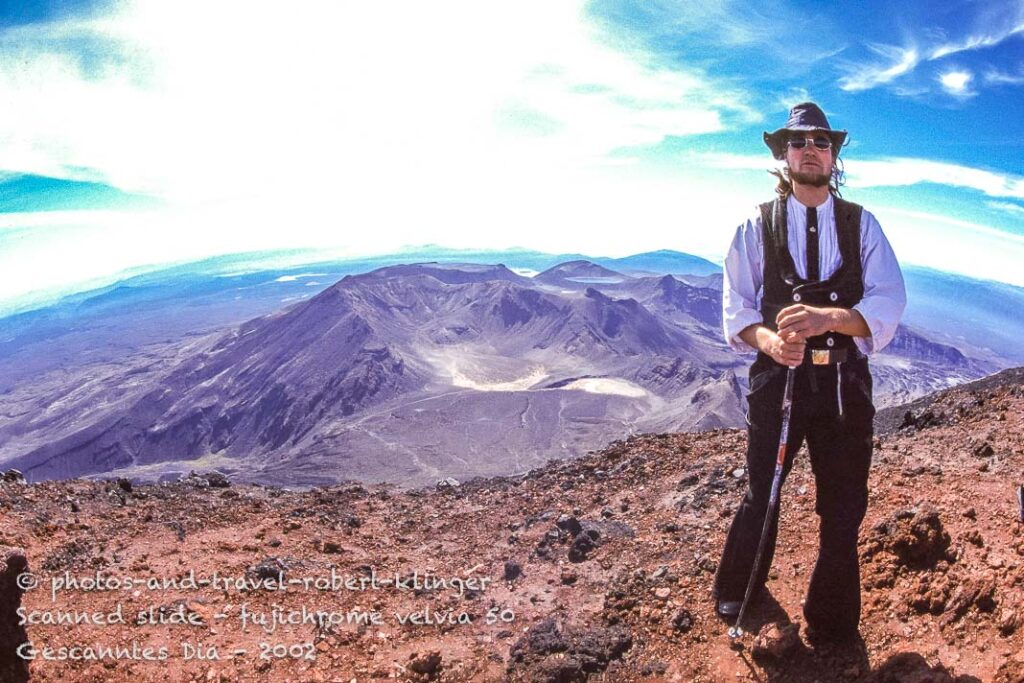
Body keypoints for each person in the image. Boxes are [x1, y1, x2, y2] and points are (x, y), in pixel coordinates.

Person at [712, 102, 906, 643]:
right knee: (761, 491)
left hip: (844, 384)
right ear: (783, 154)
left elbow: (889, 298)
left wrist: (831, 318)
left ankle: (833, 620)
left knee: (844, 501)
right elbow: (738, 306)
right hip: (779, 382)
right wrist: (770, 341)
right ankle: (738, 593)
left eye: (821, 141)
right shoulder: (756, 225)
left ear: (834, 154)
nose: (811, 149)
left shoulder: (861, 223)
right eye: (799, 142)